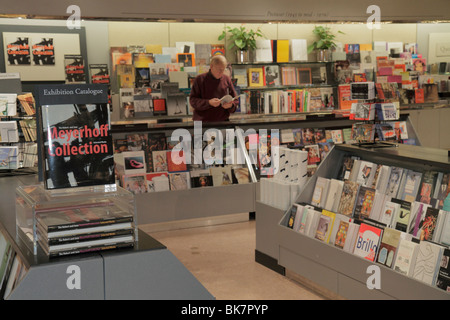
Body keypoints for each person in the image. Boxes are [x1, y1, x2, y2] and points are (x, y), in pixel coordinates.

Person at [189, 55, 238, 122]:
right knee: (197, 132)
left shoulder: (226, 79)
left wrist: (231, 105)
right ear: (211, 66)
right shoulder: (199, 79)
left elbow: (235, 100)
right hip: (200, 121)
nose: (221, 72)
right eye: (219, 69)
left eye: (223, 69)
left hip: (222, 121)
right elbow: (192, 101)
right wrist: (208, 102)